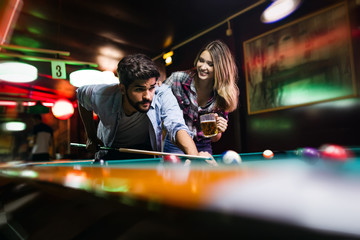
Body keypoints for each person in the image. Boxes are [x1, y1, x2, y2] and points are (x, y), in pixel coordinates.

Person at [76, 53, 212, 162]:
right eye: (139, 89)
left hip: (146, 152)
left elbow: (176, 126)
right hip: (110, 152)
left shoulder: (162, 93)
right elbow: (81, 95)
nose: (148, 96)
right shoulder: (103, 94)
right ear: (123, 89)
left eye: (151, 87)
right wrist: (91, 136)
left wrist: (194, 157)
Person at [163, 40, 239, 154]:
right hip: (176, 144)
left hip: (203, 146)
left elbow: (214, 138)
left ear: (220, 68)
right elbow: (159, 101)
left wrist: (218, 129)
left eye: (210, 64)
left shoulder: (223, 94)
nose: (203, 67)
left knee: (203, 172)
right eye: (201, 61)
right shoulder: (178, 79)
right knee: (178, 172)